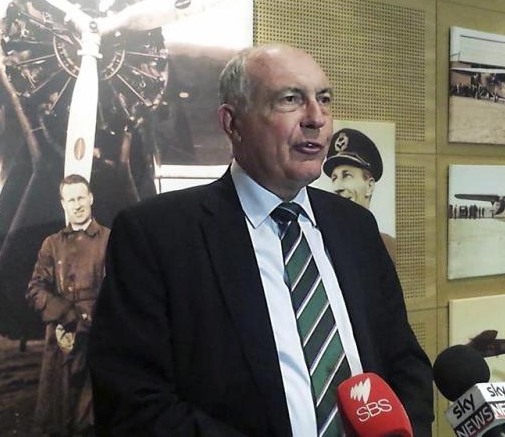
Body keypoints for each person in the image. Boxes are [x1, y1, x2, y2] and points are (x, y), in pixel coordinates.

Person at [88, 44, 433, 436]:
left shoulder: (355, 227)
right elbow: (133, 405)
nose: (316, 118)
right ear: (232, 123)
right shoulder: (156, 235)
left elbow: (404, 360)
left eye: (324, 99)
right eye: (290, 100)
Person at [27, 174, 110, 436]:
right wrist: (64, 312)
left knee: (91, 417)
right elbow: (35, 290)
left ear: (91, 198)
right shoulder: (52, 245)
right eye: (71, 199)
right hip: (61, 337)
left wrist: (89, 319)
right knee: (57, 417)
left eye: (81, 197)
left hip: (99, 339)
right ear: (63, 204)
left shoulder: (110, 239)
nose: (77, 204)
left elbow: (120, 292)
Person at [323, 128, 396, 261]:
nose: (337, 188)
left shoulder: (389, 247)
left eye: (347, 176)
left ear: (369, 186)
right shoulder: (322, 245)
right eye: (334, 178)